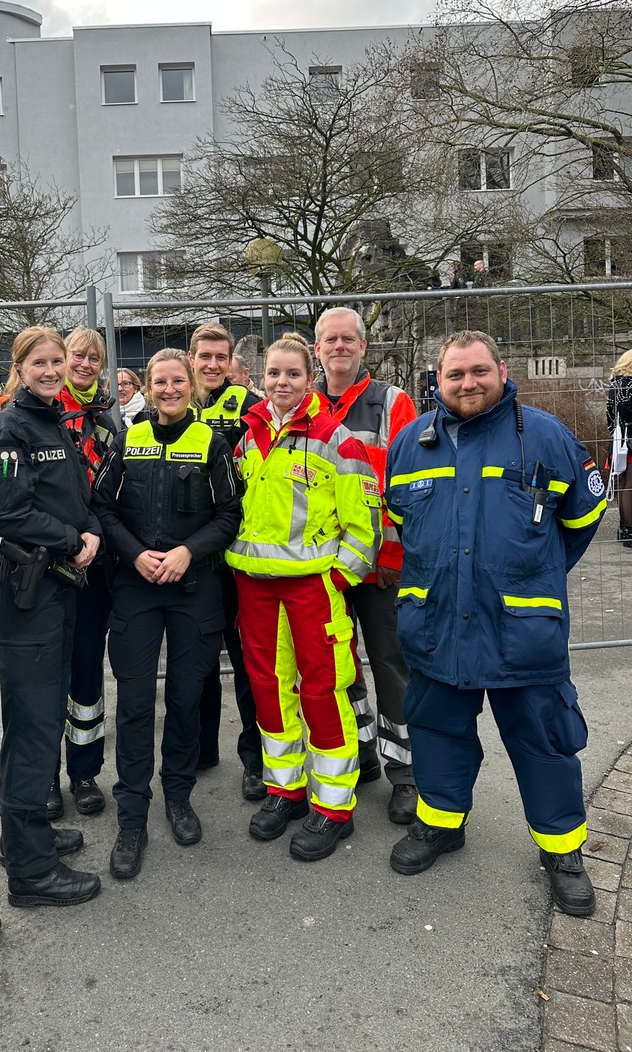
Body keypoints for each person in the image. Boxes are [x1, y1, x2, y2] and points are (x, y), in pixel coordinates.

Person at [385, 330, 606, 916]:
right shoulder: (410, 444)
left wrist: (536, 574)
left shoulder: (546, 436)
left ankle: (562, 849)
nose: (468, 383)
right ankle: (441, 823)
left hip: (522, 631)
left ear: (502, 371)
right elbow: (404, 527)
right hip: (436, 624)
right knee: (437, 732)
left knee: (545, 742)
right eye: (455, 374)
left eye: (479, 370)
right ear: (437, 381)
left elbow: (583, 518)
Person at [227, 333, 382, 860]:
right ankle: (285, 790)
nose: (282, 383)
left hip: (314, 587)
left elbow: (366, 525)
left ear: (308, 378)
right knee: (269, 690)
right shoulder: (249, 440)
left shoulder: (338, 440)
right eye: (273, 374)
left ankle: (335, 809)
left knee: (322, 690)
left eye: (292, 374)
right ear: (260, 377)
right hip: (255, 587)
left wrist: (339, 578)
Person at [92, 349, 240, 879]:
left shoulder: (213, 443)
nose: (170, 389)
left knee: (185, 697)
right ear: (148, 388)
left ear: (190, 385)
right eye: (161, 381)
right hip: (135, 584)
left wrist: (187, 552)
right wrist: (134, 552)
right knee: (133, 704)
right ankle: (132, 816)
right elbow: (102, 506)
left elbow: (230, 514)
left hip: (193, 584)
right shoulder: (127, 439)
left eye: (179, 380)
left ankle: (178, 795)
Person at [0, 327, 102, 910]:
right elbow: (3, 510)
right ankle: (29, 871)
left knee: (39, 722)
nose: (52, 370)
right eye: (40, 362)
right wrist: (71, 537)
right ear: (19, 366)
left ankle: (24, 836)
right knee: (33, 733)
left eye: (57, 361)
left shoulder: (52, 420)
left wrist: (90, 530)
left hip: (56, 588)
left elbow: (71, 497)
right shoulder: (9, 426)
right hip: (26, 596)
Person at [313, 307, 419, 825]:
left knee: (391, 668)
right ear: (318, 349)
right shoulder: (304, 405)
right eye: (329, 339)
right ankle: (361, 756)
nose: (339, 347)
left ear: (363, 346)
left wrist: (394, 557)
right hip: (325, 568)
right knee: (341, 668)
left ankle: (406, 776)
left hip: (379, 567)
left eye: (347, 339)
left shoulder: (393, 404)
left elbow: (411, 487)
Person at [188, 322, 266, 800]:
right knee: (196, 660)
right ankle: (200, 750)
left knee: (248, 662)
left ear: (232, 362)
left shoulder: (252, 406)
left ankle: (255, 759)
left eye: (221, 357)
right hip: (193, 555)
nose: (212, 365)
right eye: (204, 356)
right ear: (190, 357)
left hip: (242, 555)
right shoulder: (173, 402)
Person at [51, 327, 118, 819]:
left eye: (94, 357)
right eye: (78, 354)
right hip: (51, 559)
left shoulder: (108, 419)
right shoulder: (42, 413)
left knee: (87, 671)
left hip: (97, 561)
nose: (85, 363)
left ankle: (84, 772)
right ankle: (45, 776)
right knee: (46, 676)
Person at [607, 349, 632, 547]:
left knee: (624, 483)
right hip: (631, 440)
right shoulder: (631, 385)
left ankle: (624, 529)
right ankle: (630, 532)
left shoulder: (614, 385)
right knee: (630, 485)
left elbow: (610, 416)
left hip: (618, 441)